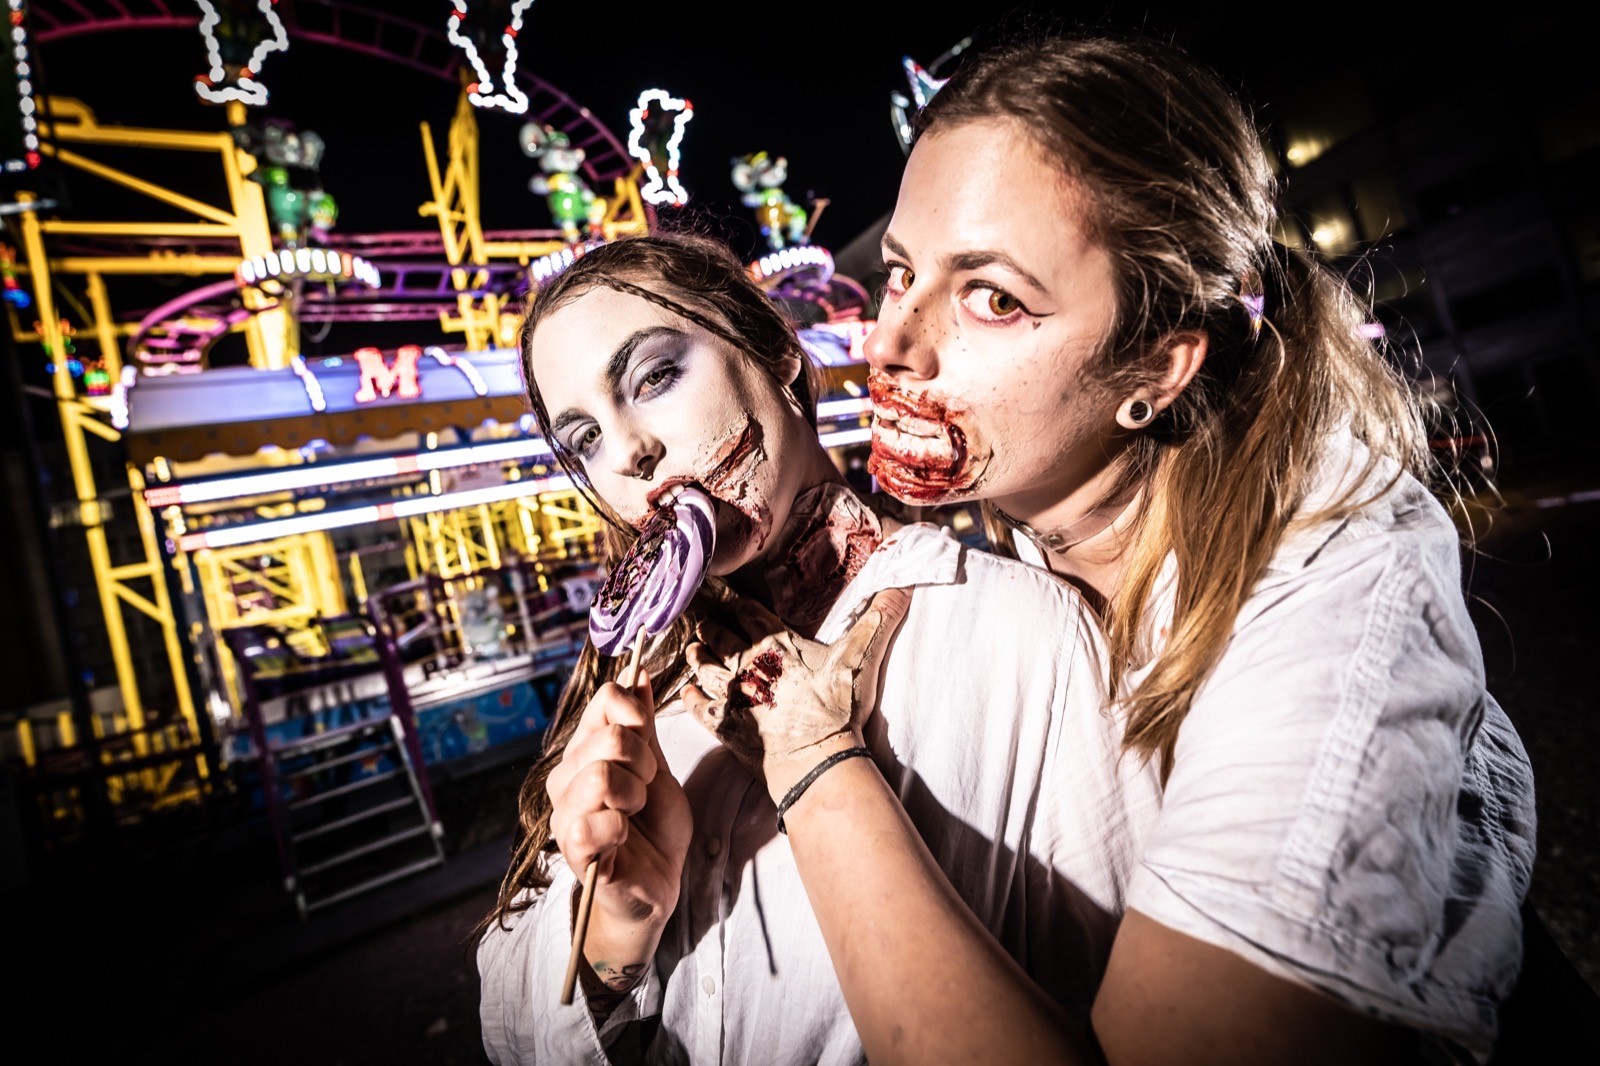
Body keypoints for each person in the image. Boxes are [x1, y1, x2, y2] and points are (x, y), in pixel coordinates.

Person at [680, 33, 1538, 1066]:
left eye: (993, 297)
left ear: (1154, 369)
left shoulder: (1328, 580)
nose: (889, 343)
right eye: (900, 273)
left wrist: (815, 764)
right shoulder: (1015, 531)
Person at [473, 232, 1153, 1064]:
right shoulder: (636, 706)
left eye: (654, 378)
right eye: (583, 438)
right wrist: (615, 939)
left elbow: (1120, 1005)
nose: (626, 454)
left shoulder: (1018, 630)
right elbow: (511, 1034)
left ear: (776, 354)